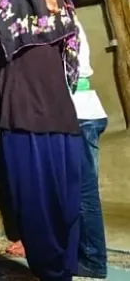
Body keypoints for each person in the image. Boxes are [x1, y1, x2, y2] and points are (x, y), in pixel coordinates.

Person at [0, 0, 82, 281]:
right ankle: (63, 267)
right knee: (64, 199)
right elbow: (71, 58)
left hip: (20, 113)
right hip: (63, 114)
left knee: (33, 202)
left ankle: (48, 271)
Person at [72, 20, 108, 278]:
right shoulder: (67, 15)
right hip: (85, 110)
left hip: (79, 113)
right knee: (79, 193)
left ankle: (94, 260)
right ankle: (82, 252)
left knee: (84, 195)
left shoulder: (55, 20)